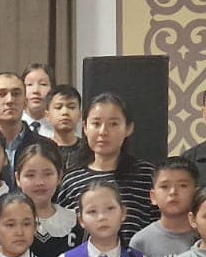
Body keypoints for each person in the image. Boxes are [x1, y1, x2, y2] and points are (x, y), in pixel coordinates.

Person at [56, 92, 158, 244]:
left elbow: (158, 228)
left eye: (113, 124)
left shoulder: (146, 175)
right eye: (96, 124)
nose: (103, 132)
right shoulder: (72, 180)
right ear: (85, 127)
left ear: (128, 128)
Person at [16, 141, 79, 257]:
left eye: (47, 174)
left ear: (59, 176)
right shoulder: (8, 222)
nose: (39, 182)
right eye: (30, 175)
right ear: (18, 178)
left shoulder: (75, 223)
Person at [0, 71, 51, 170]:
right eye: (1, 94)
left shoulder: (46, 147)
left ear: (25, 103)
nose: (9, 100)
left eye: (16, 94)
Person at [42, 85, 85, 167]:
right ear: (47, 115)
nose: (65, 112)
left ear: (80, 115)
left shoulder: (88, 150)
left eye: (71, 107)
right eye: (58, 107)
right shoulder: (41, 150)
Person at [23, 63, 55, 136]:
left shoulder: (58, 129)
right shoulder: (13, 125)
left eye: (43, 84)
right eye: (29, 84)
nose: (36, 90)